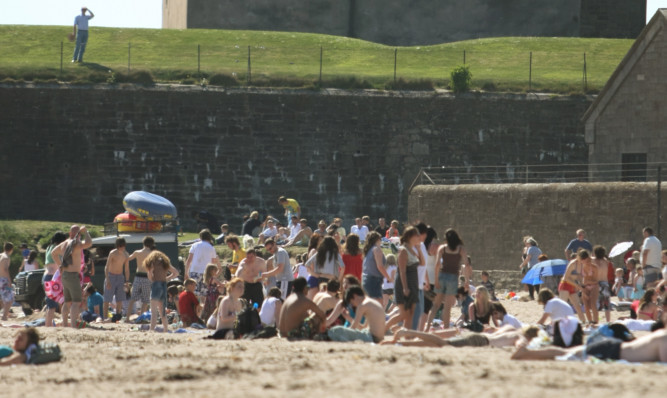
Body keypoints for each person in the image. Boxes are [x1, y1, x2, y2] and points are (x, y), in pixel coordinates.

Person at [512, 321, 667, 362]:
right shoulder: (663, 338)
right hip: (612, 350)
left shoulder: (661, 335)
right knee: (567, 353)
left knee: (568, 353)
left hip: (614, 349)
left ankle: (527, 351)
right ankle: (527, 352)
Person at [427, 229, 470, 331]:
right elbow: (467, 265)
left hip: (442, 276)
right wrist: (467, 281)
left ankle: (427, 327)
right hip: (453, 278)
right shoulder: (461, 249)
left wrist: (436, 280)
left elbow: (437, 265)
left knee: (435, 305)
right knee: (447, 307)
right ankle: (446, 330)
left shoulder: (442, 248)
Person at [51, 225, 92, 328]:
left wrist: (60, 265)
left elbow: (53, 253)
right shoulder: (76, 244)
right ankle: (73, 325)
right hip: (73, 276)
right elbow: (89, 243)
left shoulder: (64, 243)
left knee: (67, 301)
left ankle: (65, 323)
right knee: (76, 301)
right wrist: (86, 232)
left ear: (70, 233)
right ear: (79, 234)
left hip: (64, 275)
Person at [384, 324, 539, 348]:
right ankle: (408, 332)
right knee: (442, 343)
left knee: (439, 344)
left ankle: (402, 344)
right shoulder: (521, 336)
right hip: (479, 341)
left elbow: (491, 329)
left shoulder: (510, 329)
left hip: (478, 336)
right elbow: (521, 345)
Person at [393, 227, 424, 330]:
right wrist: (405, 288)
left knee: (410, 314)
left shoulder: (412, 249)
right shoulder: (403, 250)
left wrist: (419, 249)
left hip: (413, 283)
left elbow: (422, 263)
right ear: (410, 236)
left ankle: (407, 337)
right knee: (404, 314)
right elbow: (402, 270)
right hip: (404, 283)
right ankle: (385, 328)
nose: (419, 237)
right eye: (417, 235)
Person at [145, 250, 180, 332]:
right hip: (164, 285)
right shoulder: (165, 263)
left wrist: (150, 272)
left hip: (156, 285)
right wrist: (167, 278)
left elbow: (150, 278)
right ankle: (165, 329)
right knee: (162, 311)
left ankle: (151, 329)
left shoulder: (153, 263)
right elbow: (176, 273)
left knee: (154, 310)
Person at [185, 229, 220, 300]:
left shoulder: (194, 245)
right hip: (206, 273)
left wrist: (186, 273)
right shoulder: (211, 248)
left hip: (194, 271)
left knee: (194, 293)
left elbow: (189, 260)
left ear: (200, 237)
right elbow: (212, 263)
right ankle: (203, 309)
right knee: (204, 294)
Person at [102, 238, 130, 321]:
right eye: (120, 246)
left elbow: (127, 269)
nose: (122, 247)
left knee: (120, 298)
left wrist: (127, 281)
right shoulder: (113, 253)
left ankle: (117, 316)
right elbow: (106, 267)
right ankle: (105, 317)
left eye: (123, 246)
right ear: (118, 246)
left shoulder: (126, 254)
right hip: (111, 276)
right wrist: (107, 279)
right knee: (107, 298)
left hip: (120, 277)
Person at [126, 236, 155, 318]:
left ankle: (127, 317)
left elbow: (128, 258)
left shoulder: (137, 252)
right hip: (147, 277)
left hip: (138, 276)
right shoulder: (152, 254)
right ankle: (141, 317)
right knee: (145, 300)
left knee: (132, 299)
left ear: (143, 243)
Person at [43, 232, 67, 327]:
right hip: (52, 277)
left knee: (51, 303)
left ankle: (48, 324)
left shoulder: (49, 247)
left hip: (46, 276)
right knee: (52, 305)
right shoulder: (57, 248)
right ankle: (48, 325)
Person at [361, 231, 390, 302]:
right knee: (377, 304)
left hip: (366, 279)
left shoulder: (367, 250)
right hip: (374, 280)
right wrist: (388, 277)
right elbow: (380, 266)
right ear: (377, 239)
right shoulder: (376, 249)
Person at [559, 251, 586, 322]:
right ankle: (558, 323)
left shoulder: (582, 264)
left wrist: (582, 284)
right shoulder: (572, 264)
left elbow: (579, 276)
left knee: (578, 306)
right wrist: (577, 285)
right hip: (565, 285)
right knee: (562, 306)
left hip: (572, 286)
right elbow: (566, 278)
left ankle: (584, 322)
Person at [580, 249, 599, 324]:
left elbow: (596, 281)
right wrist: (583, 287)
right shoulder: (581, 267)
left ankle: (596, 320)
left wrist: (588, 282)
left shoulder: (594, 267)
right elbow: (580, 279)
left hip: (594, 286)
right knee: (586, 306)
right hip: (585, 286)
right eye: (586, 261)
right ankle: (590, 321)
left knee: (593, 303)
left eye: (588, 260)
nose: (588, 262)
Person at [594, 245, 612, 323]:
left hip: (596, 283)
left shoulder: (593, 261)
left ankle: (596, 320)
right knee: (607, 304)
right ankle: (608, 321)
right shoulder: (606, 261)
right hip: (605, 283)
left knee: (596, 303)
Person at [0, 243, 15, 321]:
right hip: (4, 280)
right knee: (10, 299)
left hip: (0, 280)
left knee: (3, 299)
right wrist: (9, 280)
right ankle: (4, 316)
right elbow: (5, 269)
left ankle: (4, 314)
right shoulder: (6, 257)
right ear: (11, 249)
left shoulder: (1, 255)